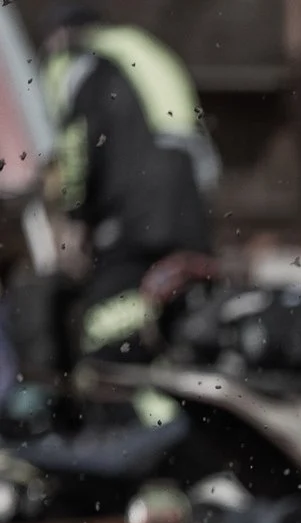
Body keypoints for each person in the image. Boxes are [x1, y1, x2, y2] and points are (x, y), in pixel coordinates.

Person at [39, 6, 215, 364]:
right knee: (178, 318)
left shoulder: (82, 63)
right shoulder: (145, 50)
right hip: (187, 213)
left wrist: (75, 215)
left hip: (132, 219)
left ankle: (135, 413)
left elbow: (78, 145)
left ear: (62, 34)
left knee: (103, 328)